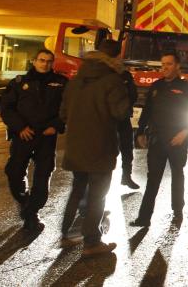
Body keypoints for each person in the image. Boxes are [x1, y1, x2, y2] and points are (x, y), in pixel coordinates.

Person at [59, 39, 131, 256]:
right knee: (97, 194)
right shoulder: (112, 80)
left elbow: (63, 114)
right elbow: (121, 113)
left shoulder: (75, 80)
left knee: (78, 190)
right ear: (116, 57)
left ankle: (68, 235)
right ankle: (91, 242)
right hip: (100, 146)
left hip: (75, 145)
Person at [0, 49, 67, 231]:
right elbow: (6, 108)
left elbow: (67, 108)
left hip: (46, 136)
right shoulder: (19, 83)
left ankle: (32, 214)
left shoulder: (61, 83)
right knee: (14, 171)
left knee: (43, 174)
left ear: (52, 63)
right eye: (41, 60)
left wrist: (56, 125)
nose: (45, 64)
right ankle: (24, 200)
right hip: (24, 135)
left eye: (49, 61)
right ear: (34, 61)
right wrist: (20, 127)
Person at [130, 51, 188, 227]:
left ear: (177, 66)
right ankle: (144, 218)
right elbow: (147, 111)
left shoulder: (186, 88)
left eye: (169, 64)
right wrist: (140, 132)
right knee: (153, 179)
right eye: (163, 64)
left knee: (177, 176)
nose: (165, 68)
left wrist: (185, 132)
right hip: (157, 140)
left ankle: (177, 210)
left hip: (178, 141)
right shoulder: (156, 86)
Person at [118, 69, 139, 188]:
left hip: (123, 118)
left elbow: (133, 95)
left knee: (127, 149)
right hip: (108, 120)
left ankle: (126, 176)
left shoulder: (125, 75)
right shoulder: (106, 75)